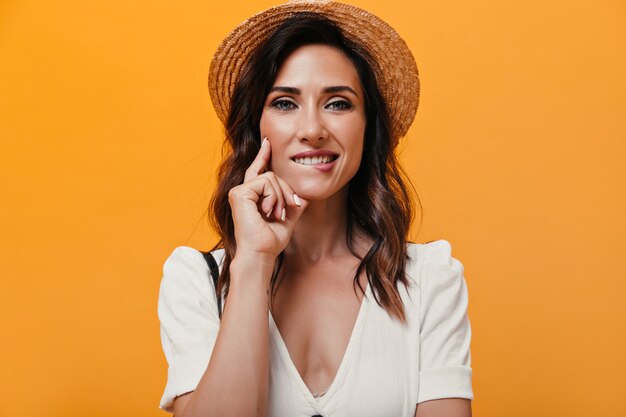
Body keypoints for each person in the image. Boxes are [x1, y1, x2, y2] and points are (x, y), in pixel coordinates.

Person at [157, 1, 473, 416]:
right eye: (285, 103)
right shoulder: (196, 281)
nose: (312, 130)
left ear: (368, 126)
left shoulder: (429, 277)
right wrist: (253, 261)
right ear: (257, 128)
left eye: (338, 103)